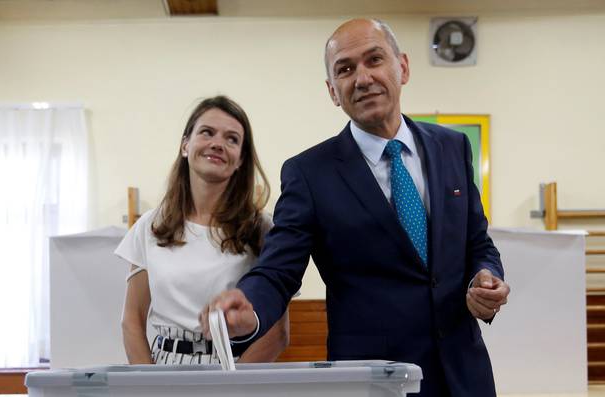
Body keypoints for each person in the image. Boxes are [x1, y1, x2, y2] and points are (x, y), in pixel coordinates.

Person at [202, 19, 510, 396]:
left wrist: (485, 277)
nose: (362, 78)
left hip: (465, 372)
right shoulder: (309, 173)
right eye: (345, 69)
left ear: (403, 67)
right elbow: (278, 270)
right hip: (372, 379)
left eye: (374, 60)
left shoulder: (452, 147)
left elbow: (477, 243)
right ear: (333, 91)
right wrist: (249, 308)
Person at [116, 95, 289, 365]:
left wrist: (230, 389)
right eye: (207, 132)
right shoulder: (150, 226)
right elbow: (132, 323)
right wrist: (148, 386)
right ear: (185, 145)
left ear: (241, 159)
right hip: (164, 371)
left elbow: (277, 333)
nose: (218, 144)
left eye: (232, 139)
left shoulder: (262, 229)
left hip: (236, 369)